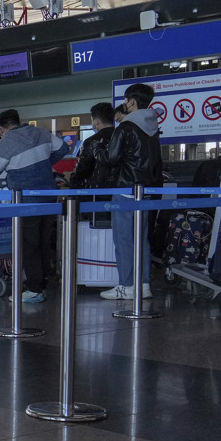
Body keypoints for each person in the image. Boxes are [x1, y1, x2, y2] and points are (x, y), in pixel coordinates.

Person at [0, 109, 69, 303]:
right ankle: (42, 284)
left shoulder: (6, 143)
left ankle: (35, 289)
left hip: (25, 199)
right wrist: (42, 165)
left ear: (1, 129)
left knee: (29, 245)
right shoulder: (41, 132)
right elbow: (64, 149)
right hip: (49, 196)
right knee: (43, 242)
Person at [95, 83, 164, 300]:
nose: (125, 104)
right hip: (146, 191)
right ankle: (143, 284)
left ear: (131, 102)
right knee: (141, 240)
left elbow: (110, 159)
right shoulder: (152, 128)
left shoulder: (125, 127)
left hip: (126, 190)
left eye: (126, 100)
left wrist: (96, 148)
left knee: (124, 240)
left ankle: (126, 285)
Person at [70, 103, 117, 190]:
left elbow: (83, 169)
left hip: (96, 189)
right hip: (120, 188)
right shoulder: (122, 137)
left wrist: (74, 176)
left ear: (96, 122)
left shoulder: (92, 141)